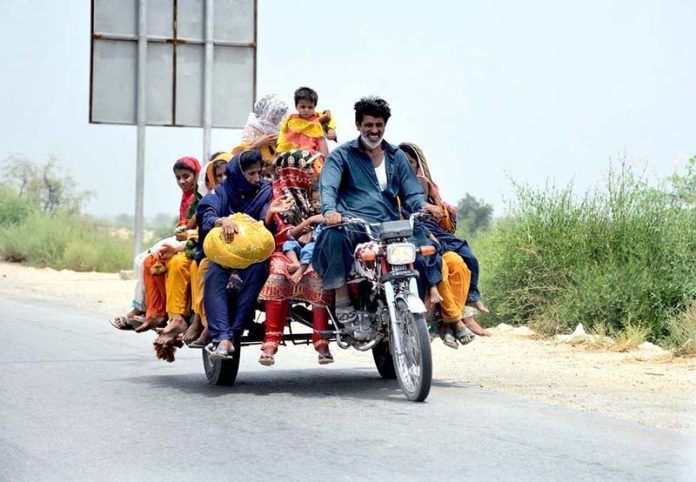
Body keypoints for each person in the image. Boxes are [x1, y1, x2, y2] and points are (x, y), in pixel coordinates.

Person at [311, 96, 441, 327]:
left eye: (379, 125)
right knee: (333, 236)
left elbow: (411, 192)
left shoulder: (396, 156)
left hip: (389, 226)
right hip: (353, 224)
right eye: (369, 125)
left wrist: (423, 206)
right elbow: (328, 186)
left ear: (385, 126)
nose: (374, 130)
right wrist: (331, 211)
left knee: (425, 246)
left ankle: (427, 307)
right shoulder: (342, 156)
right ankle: (342, 297)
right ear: (358, 125)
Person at [399, 142, 491, 337]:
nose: (407, 167)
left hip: (439, 236)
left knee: (461, 261)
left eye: (411, 163)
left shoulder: (427, 186)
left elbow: (444, 221)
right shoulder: (393, 188)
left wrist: (436, 199)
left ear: (418, 165)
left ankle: (467, 310)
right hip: (413, 236)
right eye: (402, 163)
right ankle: (453, 322)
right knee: (439, 264)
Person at [197, 150, 280, 358]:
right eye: (251, 174)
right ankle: (222, 338)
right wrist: (222, 221)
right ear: (237, 173)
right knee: (214, 272)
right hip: (222, 255)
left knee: (258, 272)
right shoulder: (221, 192)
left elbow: (265, 222)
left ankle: (232, 335)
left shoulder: (265, 192)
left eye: (259, 173)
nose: (256, 178)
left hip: (253, 257)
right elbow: (207, 214)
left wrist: (266, 217)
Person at [258, 149, 333, 366]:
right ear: (293, 171)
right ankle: (270, 344)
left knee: (317, 275)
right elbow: (282, 234)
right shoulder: (276, 196)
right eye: (306, 167)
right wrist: (307, 225)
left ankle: (321, 342)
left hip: (314, 249)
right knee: (277, 275)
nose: (311, 171)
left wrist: (314, 227)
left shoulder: (315, 192)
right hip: (283, 250)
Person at [134, 156, 202, 333]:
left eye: (186, 176)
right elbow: (186, 225)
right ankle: (155, 311)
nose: (181, 181)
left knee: (150, 260)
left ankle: (157, 312)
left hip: (198, 239)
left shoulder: (202, 194)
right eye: (178, 178)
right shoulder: (188, 196)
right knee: (147, 261)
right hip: (188, 237)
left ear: (197, 175)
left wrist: (183, 237)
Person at [232, 93, 289, 178]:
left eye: (280, 114)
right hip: (255, 174)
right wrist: (259, 143)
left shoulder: (281, 130)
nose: (278, 118)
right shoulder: (253, 127)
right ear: (266, 111)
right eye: (275, 114)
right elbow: (239, 157)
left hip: (274, 174)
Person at [276, 86, 330, 157]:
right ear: (296, 106)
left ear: (314, 107)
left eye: (310, 107)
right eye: (303, 107)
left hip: (311, 159)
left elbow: (324, 154)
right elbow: (283, 136)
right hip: (292, 158)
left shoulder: (317, 123)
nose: (306, 110)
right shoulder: (291, 121)